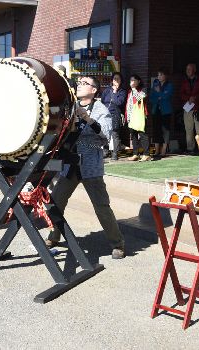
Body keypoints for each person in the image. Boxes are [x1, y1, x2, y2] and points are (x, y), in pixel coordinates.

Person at [45, 75, 125, 259]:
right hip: (71, 164)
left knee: (101, 207)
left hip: (90, 164)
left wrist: (88, 119)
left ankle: (118, 243)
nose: (79, 86)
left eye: (84, 83)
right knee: (56, 200)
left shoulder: (100, 109)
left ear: (94, 90)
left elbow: (106, 136)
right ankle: (54, 235)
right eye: (78, 83)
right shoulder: (71, 107)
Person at [100, 72, 127, 161]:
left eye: (118, 79)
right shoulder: (107, 90)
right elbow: (103, 100)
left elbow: (119, 102)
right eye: (114, 79)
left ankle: (115, 153)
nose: (116, 80)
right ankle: (105, 151)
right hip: (106, 114)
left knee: (115, 134)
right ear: (112, 80)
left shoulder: (122, 91)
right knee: (104, 133)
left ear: (121, 80)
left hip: (116, 114)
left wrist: (115, 92)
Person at [150, 68, 174, 158]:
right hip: (156, 110)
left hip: (166, 111)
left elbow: (166, 96)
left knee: (165, 129)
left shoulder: (169, 85)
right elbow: (152, 98)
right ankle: (156, 150)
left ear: (165, 76)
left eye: (161, 74)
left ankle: (164, 149)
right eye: (158, 75)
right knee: (156, 129)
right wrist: (160, 96)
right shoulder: (155, 84)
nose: (159, 76)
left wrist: (159, 93)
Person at [126, 74, 150, 161]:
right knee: (133, 136)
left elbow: (139, 98)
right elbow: (128, 105)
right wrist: (127, 117)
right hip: (132, 117)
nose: (131, 82)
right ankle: (135, 154)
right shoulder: (130, 92)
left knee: (143, 135)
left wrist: (133, 89)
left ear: (138, 81)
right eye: (130, 81)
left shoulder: (143, 90)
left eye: (133, 80)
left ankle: (146, 154)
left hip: (141, 116)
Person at [180, 63, 199, 154]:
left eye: (190, 69)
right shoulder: (184, 81)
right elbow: (181, 94)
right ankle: (190, 148)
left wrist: (195, 97)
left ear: (194, 70)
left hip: (198, 107)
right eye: (187, 69)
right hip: (187, 108)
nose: (188, 71)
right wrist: (188, 98)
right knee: (188, 129)